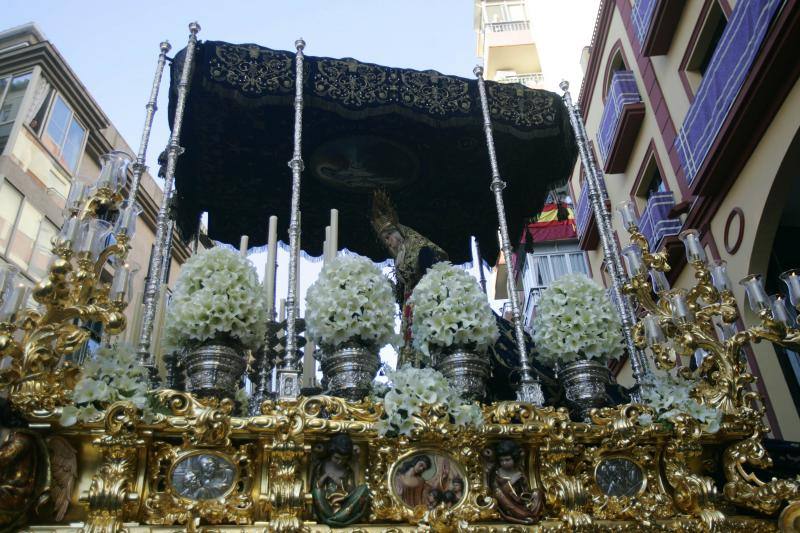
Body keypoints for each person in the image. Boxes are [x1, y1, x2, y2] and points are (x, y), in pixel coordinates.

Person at [371, 190, 448, 367]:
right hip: (409, 308)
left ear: (397, 232)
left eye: (388, 237)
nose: (388, 243)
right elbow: (401, 293)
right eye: (385, 240)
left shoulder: (421, 250)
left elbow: (433, 274)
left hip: (424, 304)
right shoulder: (400, 258)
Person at [311, 434, 369, 526]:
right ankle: (332, 518)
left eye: (344, 459)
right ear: (330, 454)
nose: (340, 462)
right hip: (326, 504)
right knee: (316, 492)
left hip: (344, 504)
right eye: (336, 458)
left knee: (364, 489)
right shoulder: (322, 466)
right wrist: (327, 475)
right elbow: (316, 486)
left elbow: (353, 491)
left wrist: (356, 464)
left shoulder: (347, 470)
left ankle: (338, 518)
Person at [488, 440, 544, 524]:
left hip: (522, 500)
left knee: (538, 492)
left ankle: (532, 514)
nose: (504, 463)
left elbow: (525, 489)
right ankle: (525, 516)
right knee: (498, 493)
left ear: (514, 458)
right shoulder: (498, 473)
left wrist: (523, 483)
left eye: (507, 460)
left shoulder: (519, 470)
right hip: (508, 503)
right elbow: (495, 492)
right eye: (501, 460)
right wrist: (511, 482)